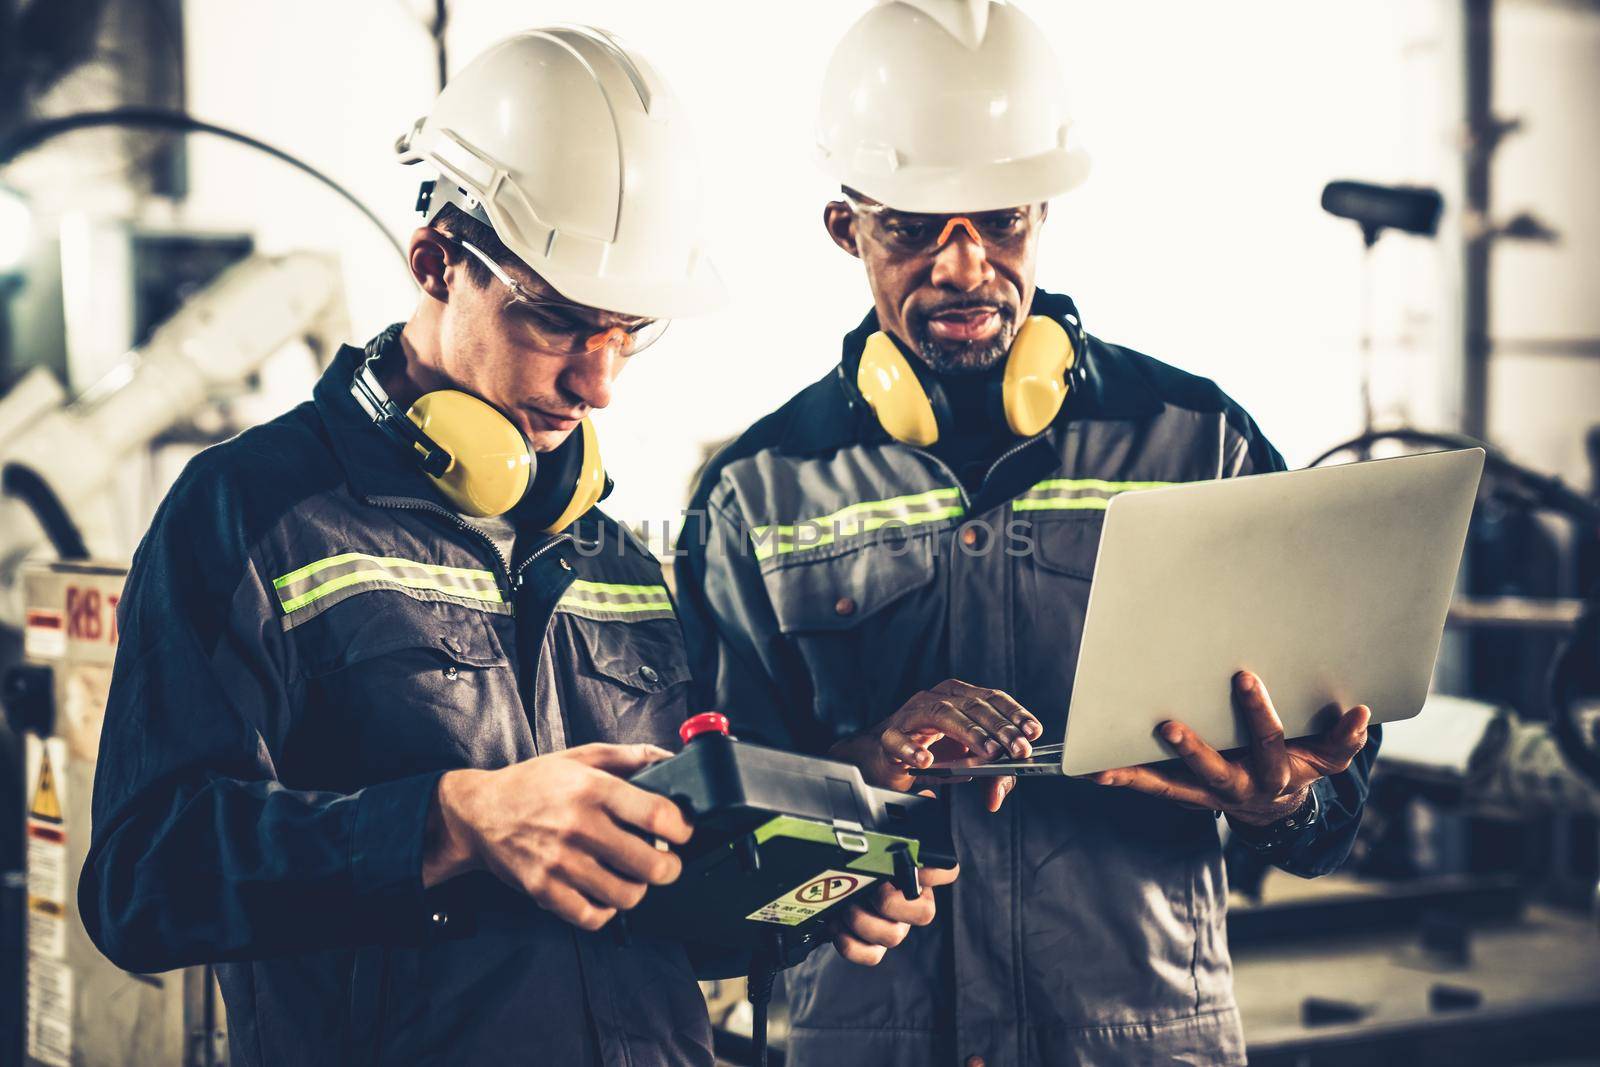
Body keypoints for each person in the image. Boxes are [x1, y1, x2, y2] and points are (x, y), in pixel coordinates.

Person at [79, 27, 939, 1067]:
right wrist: (452, 819)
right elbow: (142, 884)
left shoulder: (616, 557)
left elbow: (667, 915)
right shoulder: (251, 512)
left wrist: (805, 897)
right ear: (437, 261)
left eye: (630, 332)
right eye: (561, 322)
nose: (601, 383)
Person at [675, 3, 1379, 1065]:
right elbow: (708, 840)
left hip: (1139, 1039)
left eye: (1000, 222)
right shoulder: (754, 494)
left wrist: (1288, 801)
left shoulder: (1201, 444)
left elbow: (1337, 794)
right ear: (845, 226)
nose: (964, 268)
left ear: (1042, 209)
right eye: (914, 227)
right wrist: (866, 764)